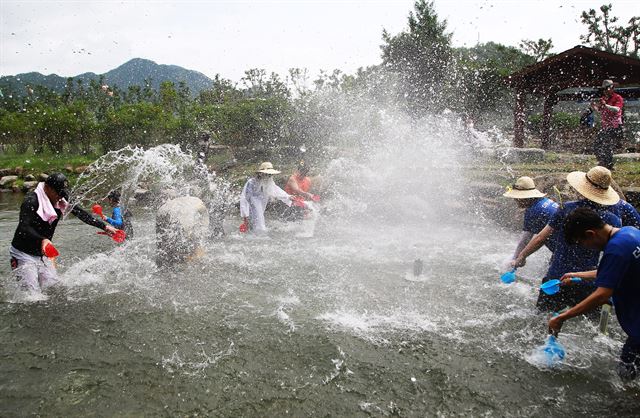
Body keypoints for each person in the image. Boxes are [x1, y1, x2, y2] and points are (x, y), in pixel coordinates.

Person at [513, 166, 623, 313]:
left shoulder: (567, 209)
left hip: (556, 278)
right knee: (591, 327)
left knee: (543, 321)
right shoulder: (612, 219)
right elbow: (613, 255)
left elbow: (540, 238)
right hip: (587, 281)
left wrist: (521, 256)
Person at [548, 207, 640, 381]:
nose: (585, 247)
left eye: (581, 242)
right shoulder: (629, 233)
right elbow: (614, 270)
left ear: (590, 234)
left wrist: (562, 318)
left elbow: (602, 295)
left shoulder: (615, 249)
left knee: (626, 376)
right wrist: (578, 275)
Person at [9, 173, 117, 292]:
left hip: (44, 252)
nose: (61, 197)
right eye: (58, 193)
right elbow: (24, 228)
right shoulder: (31, 200)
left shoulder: (61, 197)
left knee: (54, 291)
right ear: (48, 188)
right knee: (31, 296)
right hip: (24, 253)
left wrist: (104, 226)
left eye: (63, 193)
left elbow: (81, 214)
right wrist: (43, 239)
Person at [503, 176, 559, 260]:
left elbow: (526, 240)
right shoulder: (544, 202)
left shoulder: (533, 211)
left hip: (564, 250)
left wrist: (516, 259)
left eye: (516, 197)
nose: (515, 200)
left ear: (523, 198)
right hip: (571, 244)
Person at [240, 162, 293, 232]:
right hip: (252, 205)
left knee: (257, 223)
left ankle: (253, 235)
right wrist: (245, 216)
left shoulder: (269, 181)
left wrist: (288, 197)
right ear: (261, 173)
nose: (269, 176)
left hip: (261, 205)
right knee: (259, 226)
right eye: (267, 174)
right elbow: (244, 198)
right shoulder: (251, 182)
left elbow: (275, 189)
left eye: (270, 174)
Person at [591, 79, 624, 170]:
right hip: (606, 126)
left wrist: (606, 105)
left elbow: (617, 110)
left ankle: (607, 164)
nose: (605, 91)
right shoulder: (603, 99)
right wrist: (594, 108)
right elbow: (600, 112)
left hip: (615, 126)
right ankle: (603, 162)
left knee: (607, 145)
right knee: (597, 144)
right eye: (604, 89)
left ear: (612, 88)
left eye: (607, 88)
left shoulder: (618, 97)